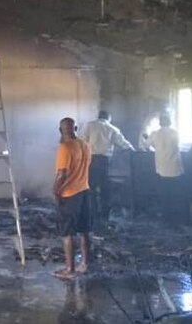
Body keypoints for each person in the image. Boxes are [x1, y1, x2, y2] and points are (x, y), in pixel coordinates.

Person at [52, 117, 92, 280]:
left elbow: (62, 174)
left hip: (69, 194)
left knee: (67, 233)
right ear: (75, 129)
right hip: (84, 190)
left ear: (61, 131)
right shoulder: (86, 145)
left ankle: (69, 269)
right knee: (84, 230)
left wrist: (55, 192)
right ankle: (84, 264)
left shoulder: (64, 147)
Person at [81, 110, 135, 226]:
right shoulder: (112, 128)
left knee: (91, 188)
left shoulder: (89, 125)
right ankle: (105, 215)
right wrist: (133, 150)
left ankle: (93, 214)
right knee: (105, 188)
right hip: (104, 161)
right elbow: (123, 143)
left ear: (98, 116)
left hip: (91, 159)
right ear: (108, 118)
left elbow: (82, 142)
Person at [141, 114, 185, 223]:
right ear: (170, 122)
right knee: (176, 193)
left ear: (160, 123)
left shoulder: (155, 134)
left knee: (164, 193)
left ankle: (166, 218)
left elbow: (146, 146)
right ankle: (178, 216)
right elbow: (178, 146)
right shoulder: (175, 132)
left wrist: (146, 137)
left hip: (162, 168)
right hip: (175, 166)